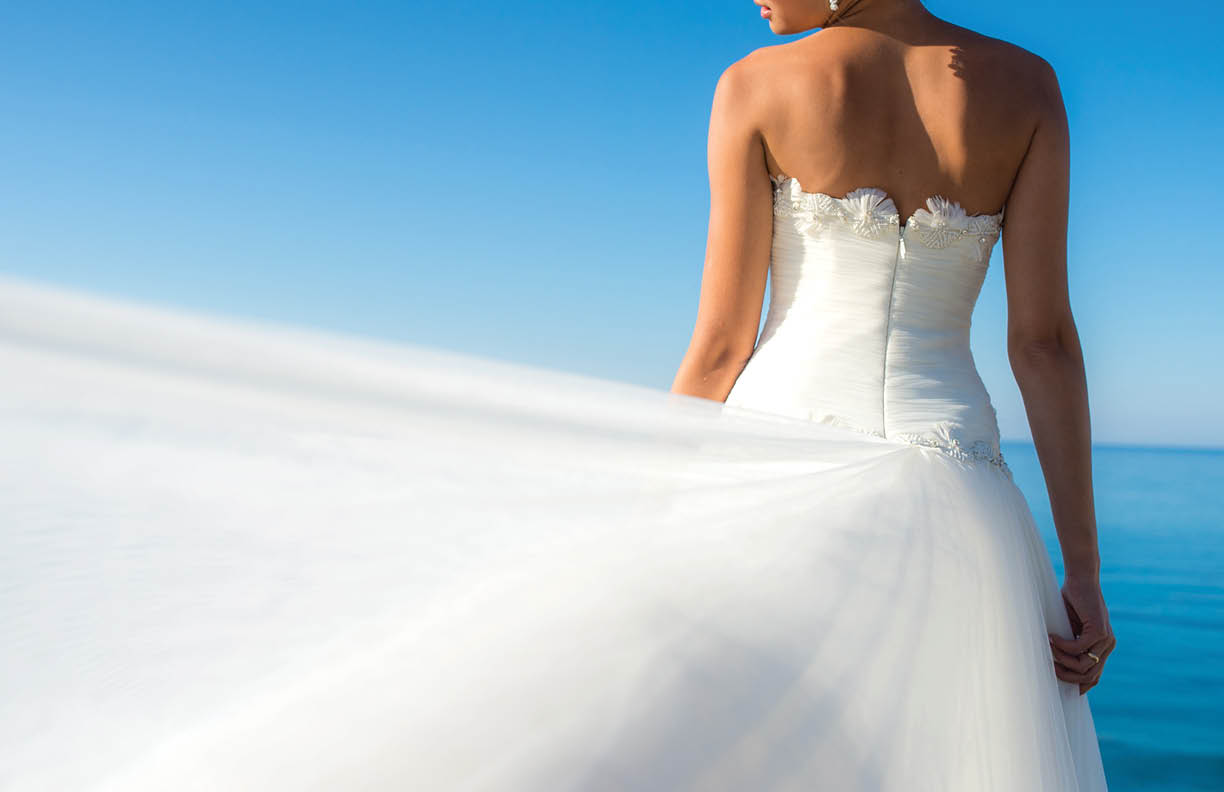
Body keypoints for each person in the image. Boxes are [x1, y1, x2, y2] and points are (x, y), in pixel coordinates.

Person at [0, 1, 1112, 789]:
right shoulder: (1028, 86)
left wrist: (647, 516)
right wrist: (1085, 574)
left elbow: (722, 343)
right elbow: (1044, 344)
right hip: (962, 483)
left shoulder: (756, 87)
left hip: (776, 470)